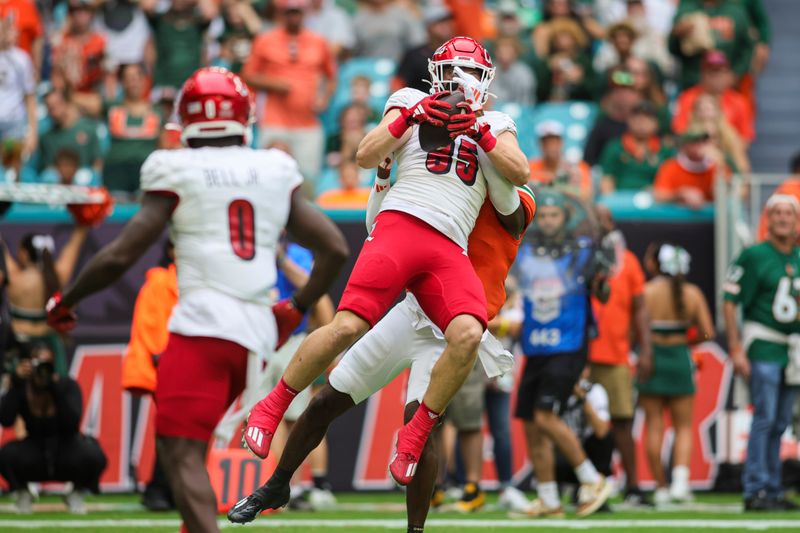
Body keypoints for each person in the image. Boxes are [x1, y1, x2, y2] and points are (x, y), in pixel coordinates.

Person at [44, 67, 349, 533]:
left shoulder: (175, 167)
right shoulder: (272, 167)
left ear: (186, 119)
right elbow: (334, 249)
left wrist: (65, 301)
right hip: (256, 331)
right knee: (193, 442)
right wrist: (293, 309)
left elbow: (120, 255)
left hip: (204, 324)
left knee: (178, 449)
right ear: (243, 116)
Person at [240, 37, 530, 489]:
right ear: (436, 73)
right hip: (400, 224)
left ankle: (414, 435)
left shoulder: (495, 121)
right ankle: (272, 405)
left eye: (470, 72)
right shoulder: (409, 100)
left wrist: (481, 131)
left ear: (485, 81)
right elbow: (364, 155)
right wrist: (411, 118)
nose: (460, 80)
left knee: (469, 333)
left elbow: (520, 171)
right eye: (452, 70)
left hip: (449, 245)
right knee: (347, 327)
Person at [228, 171, 538, 528]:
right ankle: (277, 485)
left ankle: (415, 529)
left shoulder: (510, 192)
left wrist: (485, 141)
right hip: (413, 312)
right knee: (326, 400)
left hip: (452, 332)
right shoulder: (450, 179)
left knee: (418, 429)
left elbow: (513, 215)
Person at [509, 190, 613, 518]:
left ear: (565, 219)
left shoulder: (583, 251)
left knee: (545, 416)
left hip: (569, 345)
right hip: (536, 344)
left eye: (555, 215)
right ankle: (549, 498)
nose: (550, 220)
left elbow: (603, 293)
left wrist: (601, 277)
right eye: (545, 215)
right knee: (529, 422)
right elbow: (512, 283)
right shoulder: (525, 250)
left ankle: (591, 478)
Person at [723, 194, 800, 512]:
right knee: (765, 418)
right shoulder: (753, 255)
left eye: (789, 213)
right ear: (768, 218)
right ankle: (755, 488)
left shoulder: (796, 256)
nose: (783, 218)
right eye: (777, 213)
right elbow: (729, 301)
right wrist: (736, 347)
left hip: (791, 348)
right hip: (764, 343)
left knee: (781, 420)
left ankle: (772, 487)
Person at [640, 242, 714, 504]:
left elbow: (633, 331)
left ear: (654, 264)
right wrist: (688, 340)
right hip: (680, 358)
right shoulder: (692, 293)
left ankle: (660, 487)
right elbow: (708, 332)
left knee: (654, 425)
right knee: (683, 427)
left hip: (651, 360)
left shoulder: (645, 291)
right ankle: (680, 484)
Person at [588, 205, 652, 505]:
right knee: (580, 421)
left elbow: (640, 308)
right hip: (582, 353)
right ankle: (584, 483)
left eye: (604, 219)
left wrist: (646, 348)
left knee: (623, 420)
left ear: (612, 223)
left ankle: (634, 486)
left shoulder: (627, 261)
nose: (599, 224)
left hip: (616, 353)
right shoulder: (580, 255)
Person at [0, 343, 107, 514]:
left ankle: (76, 492)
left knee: (94, 454)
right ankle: (23, 492)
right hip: (35, 448)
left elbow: (72, 422)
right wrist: (16, 383)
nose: (42, 370)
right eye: (38, 364)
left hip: (66, 448)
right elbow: (5, 420)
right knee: (6, 455)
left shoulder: (67, 386)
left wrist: (54, 388)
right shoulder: (23, 388)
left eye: (46, 364)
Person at [243, 0, 336, 192]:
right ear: (281, 14)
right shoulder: (265, 40)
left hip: (307, 124)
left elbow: (331, 76)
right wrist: (273, 84)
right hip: (274, 121)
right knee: (268, 179)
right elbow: (248, 75)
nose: (294, 17)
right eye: (289, 12)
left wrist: (324, 98)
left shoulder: (318, 41)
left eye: (298, 13)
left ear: (305, 14)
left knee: (308, 183)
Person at [122, 241, 177, 511]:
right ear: (171, 251)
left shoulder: (197, 283)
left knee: (183, 430)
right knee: (173, 428)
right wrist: (164, 355)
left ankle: (169, 490)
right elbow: (150, 326)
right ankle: (158, 489)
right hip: (168, 366)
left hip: (188, 365)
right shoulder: (159, 283)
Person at [0, 224, 90, 377]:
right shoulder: (57, 276)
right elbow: (74, 243)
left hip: (20, 347)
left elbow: (1, 248)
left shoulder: (14, 278)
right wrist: (85, 220)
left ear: (24, 253)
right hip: (51, 346)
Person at [102, 63, 164, 195]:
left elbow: (164, 145)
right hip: (116, 173)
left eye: (137, 77)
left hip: (147, 172)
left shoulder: (158, 112)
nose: (133, 82)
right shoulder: (112, 108)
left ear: (144, 80)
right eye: (128, 78)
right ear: (122, 83)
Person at [140, 0, 218, 102]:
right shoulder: (160, 21)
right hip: (164, 87)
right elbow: (146, 5)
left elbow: (211, 12)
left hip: (191, 86)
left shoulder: (197, 23)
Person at [554, 370, 612, 505]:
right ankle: (551, 491)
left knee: (606, 440)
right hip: (561, 453)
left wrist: (583, 400)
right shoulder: (554, 388)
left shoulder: (595, 391)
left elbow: (602, 431)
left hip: (587, 453)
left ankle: (591, 487)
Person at [669, 0, 754, 90]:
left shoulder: (735, 10)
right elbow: (672, 48)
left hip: (726, 87)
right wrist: (678, 34)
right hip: (692, 83)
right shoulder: (686, 7)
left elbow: (747, 48)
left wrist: (736, 74)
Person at [672, 50, 754, 144]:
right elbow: (680, 131)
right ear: (703, 74)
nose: (717, 77)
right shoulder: (687, 98)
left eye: (721, 72)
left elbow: (745, 138)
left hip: (728, 152)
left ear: (728, 74)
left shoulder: (739, 101)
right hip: (696, 150)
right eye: (712, 72)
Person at [599, 101, 672, 194]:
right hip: (620, 199)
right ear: (629, 120)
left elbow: (669, 182)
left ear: (656, 124)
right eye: (637, 118)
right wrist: (610, 200)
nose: (641, 122)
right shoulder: (615, 147)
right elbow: (606, 178)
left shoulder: (665, 151)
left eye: (647, 118)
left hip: (654, 201)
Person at [0, 16, 37, 179]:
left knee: (12, 167)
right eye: (6, 29)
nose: (10, 33)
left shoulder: (22, 59)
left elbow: (29, 97)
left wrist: (32, 132)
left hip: (12, 126)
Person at [583, 68, 641, 166]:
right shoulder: (601, 127)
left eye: (628, 90)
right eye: (617, 90)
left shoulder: (645, 125)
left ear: (637, 95)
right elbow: (588, 160)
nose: (623, 95)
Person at [393, 4, 455, 94]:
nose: (446, 26)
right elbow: (397, 84)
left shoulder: (460, 52)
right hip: (420, 104)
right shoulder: (414, 55)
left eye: (448, 22)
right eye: (440, 22)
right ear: (428, 27)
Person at [38, 88, 102, 174]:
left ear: (66, 103)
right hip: (58, 184)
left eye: (56, 105)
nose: (54, 111)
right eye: (50, 108)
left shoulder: (88, 130)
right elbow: (48, 167)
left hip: (85, 182)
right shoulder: (46, 138)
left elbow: (97, 162)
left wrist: (93, 177)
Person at [50, 0, 106, 95]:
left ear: (91, 13)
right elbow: (56, 79)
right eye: (75, 10)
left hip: (93, 94)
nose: (80, 14)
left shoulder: (101, 41)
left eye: (85, 10)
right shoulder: (62, 41)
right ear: (70, 14)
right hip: (69, 95)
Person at [653, 128, 718, 209]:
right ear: (684, 146)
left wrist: (719, 163)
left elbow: (726, 194)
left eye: (703, 141)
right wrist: (680, 194)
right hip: (678, 219)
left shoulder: (716, 166)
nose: (700, 145)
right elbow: (659, 195)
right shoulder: (671, 166)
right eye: (695, 142)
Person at [528, 120, 592, 202]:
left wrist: (551, 185)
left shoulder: (578, 166)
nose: (551, 146)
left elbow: (586, 194)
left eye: (555, 141)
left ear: (562, 142)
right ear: (540, 144)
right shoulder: (530, 166)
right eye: (546, 142)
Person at [352, 0, 426, 63]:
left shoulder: (403, 14)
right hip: (369, 70)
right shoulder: (359, 18)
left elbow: (418, 42)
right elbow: (354, 50)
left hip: (400, 67)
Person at [490, 36, 536, 106]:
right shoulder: (489, 70)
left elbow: (526, 101)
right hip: (494, 111)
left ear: (516, 52)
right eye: (500, 50)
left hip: (518, 110)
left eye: (508, 50)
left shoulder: (524, 73)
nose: (504, 53)